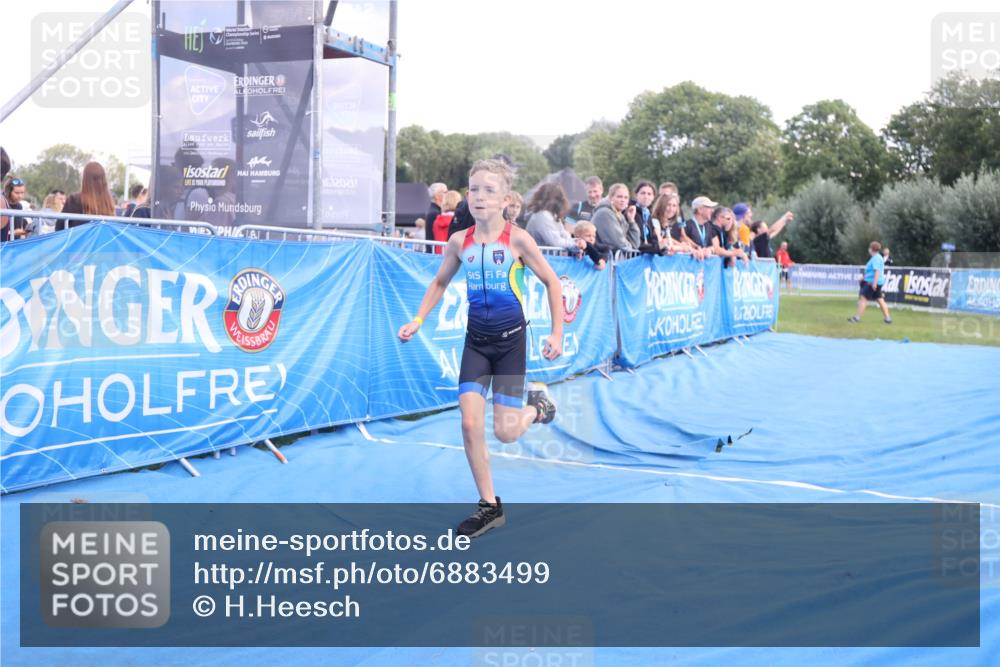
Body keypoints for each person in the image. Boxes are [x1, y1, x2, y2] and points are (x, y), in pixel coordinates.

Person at [397, 159, 564, 538]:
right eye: (474, 189)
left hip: (510, 346)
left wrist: (557, 334)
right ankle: (489, 506)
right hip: (476, 343)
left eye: (490, 190)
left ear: (505, 199)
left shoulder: (519, 240)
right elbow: (440, 282)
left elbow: (552, 283)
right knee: (470, 424)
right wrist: (418, 319)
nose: (479, 196)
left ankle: (537, 408)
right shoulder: (460, 241)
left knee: (506, 433)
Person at [525, 182, 587, 254]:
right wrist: (575, 245)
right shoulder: (542, 216)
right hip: (540, 257)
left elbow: (563, 234)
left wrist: (576, 242)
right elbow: (555, 241)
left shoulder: (552, 215)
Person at [62, 161, 116, 227]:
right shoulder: (109, 202)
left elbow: (60, 227)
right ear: (104, 179)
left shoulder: (74, 199)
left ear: (85, 179)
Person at [850, 241, 892, 324]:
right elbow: (870, 271)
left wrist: (874, 283)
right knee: (880, 299)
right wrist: (863, 277)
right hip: (875, 282)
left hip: (872, 282)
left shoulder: (876, 258)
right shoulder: (877, 257)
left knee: (863, 299)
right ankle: (888, 319)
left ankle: (856, 318)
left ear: (871, 249)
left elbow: (877, 271)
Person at [592, 183, 639, 252]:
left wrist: (631, 220)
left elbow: (635, 244)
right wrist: (632, 250)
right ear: (611, 198)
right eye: (619, 197)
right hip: (604, 257)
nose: (623, 200)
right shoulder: (604, 213)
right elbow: (619, 244)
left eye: (626, 197)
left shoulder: (619, 215)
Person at [425, 182, 447, 252]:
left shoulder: (434, 210)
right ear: (437, 196)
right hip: (435, 251)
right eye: (445, 192)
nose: (448, 194)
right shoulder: (435, 213)